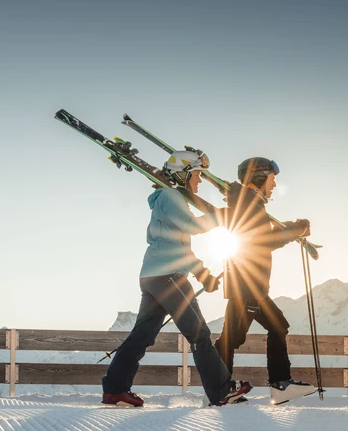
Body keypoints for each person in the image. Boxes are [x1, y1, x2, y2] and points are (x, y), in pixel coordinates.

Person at [101, 151, 252, 408]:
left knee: (142, 335)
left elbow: (180, 246)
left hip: (155, 275)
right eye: (197, 175)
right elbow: (192, 227)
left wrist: (203, 274)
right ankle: (221, 391)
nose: (200, 180)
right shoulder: (171, 196)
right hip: (168, 277)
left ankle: (115, 390)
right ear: (183, 174)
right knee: (199, 333)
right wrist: (224, 215)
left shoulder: (168, 199)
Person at [216, 157, 316, 404]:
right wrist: (294, 230)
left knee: (272, 328)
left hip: (249, 284)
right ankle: (219, 388)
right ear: (259, 177)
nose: (274, 185)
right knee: (232, 339)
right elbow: (262, 241)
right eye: (272, 179)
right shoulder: (249, 204)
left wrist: (293, 229)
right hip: (247, 286)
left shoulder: (249, 203)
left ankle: (277, 384)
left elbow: (262, 236)